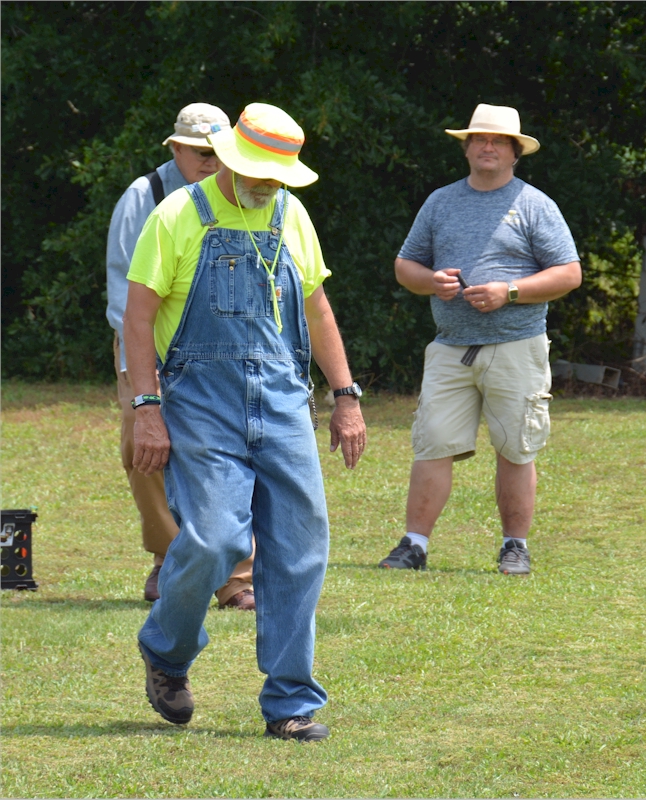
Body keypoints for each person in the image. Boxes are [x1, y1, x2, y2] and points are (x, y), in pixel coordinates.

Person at [124, 102, 366, 741]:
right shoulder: (177, 214)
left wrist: (345, 395)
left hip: (285, 401)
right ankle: (168, 651)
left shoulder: (293, 214)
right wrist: (146, 409)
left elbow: (317, 311)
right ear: (228, 156)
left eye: (276, 173)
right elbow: (139, 318)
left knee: (299, 548)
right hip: (199, 402)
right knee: (212, 540)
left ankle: (291, 702)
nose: (266, 183)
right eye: (256, 170)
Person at [378, 103, 581, 576]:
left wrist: (509, 292)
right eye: (479, 139)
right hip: (450, 346)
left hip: (517, 345)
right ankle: (413, 546)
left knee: (515, 446)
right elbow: (405, 266)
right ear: (467, 148)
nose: (488, 147)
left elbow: (569, 273)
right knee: (432, 444)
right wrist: (432, 282)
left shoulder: (534, 204)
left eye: (498, 141)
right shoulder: (440, 201)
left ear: (514, 152)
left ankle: (515, 547)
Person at [106, 103, 256, 610]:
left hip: (222, 347)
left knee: (231, 450)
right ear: (174, 148)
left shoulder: (239, 194)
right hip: (148, 344)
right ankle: (168, 560)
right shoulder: (143, 196)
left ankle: (237, 579)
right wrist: (135, 370)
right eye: (199, 154)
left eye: (219, 153)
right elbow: (122, 292)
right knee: (144, 449)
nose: (211, 163)